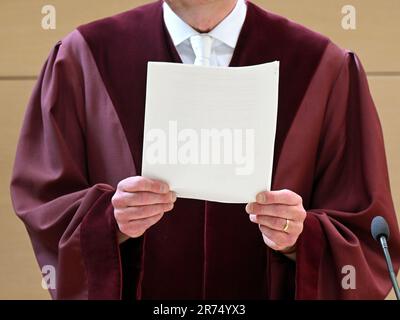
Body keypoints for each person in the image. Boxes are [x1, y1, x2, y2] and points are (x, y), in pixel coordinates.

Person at [10, 0, 400, 300]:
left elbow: (364, 233)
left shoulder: (322, 67)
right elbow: (47, 204)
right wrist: (107, 221)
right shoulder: (85, 58)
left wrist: (303, 237)